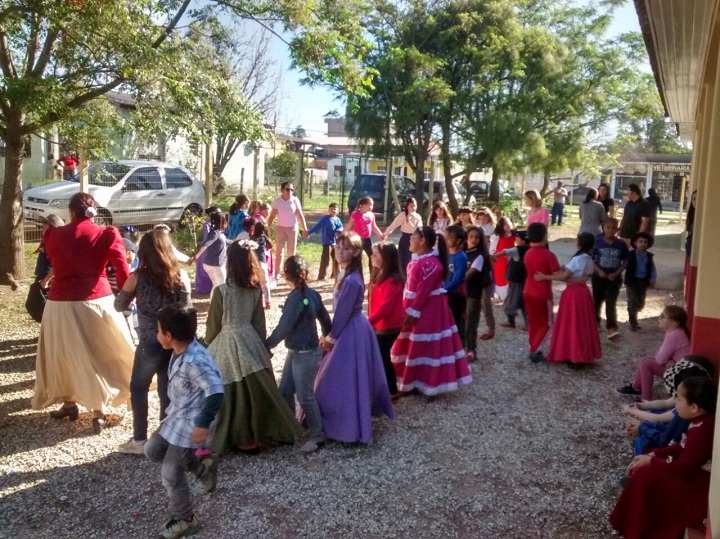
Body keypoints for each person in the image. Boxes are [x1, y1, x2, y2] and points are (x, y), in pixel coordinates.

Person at [32, 193, 134, 434]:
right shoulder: (106, 233)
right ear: (94, 211)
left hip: (59, 306)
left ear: (70, 212)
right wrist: (127, 297)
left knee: (64, 355)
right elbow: (122, 268)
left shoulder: (53, 234)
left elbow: (56, 265)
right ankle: (97, 413)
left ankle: (70, 402)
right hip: (96, 301)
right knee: (100, 355)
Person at [203, 241, 302, 454]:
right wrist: (262, 347)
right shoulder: (254, 289)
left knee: (232, 390)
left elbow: (213, 327)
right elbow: (259, 323)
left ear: (229, 263)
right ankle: (263, 431)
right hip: (250, 339)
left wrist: (207, 344)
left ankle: (240, 437)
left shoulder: (221, 292)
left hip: (228, 342)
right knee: (257, 390)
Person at [144, 304, 224, 539]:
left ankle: (186, 519)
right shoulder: (179, 350)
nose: (156, 335)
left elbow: (216, 391)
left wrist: (202, 424)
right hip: (177, 417)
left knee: (170, 472)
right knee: (152, 450)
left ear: (168, 336)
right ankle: (201, 468)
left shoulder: (194, 360)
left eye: (159, 331)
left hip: (192, 424)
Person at [114, 229, 193, 455]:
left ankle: (139, 438)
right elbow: (186, 309)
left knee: (139, 387)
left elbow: (120, 304)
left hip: (149, 340)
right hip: (174, 341)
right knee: (167, 388)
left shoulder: (137, 277)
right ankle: (166, 437)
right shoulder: (180, 277)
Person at [609, 376, 716, 539]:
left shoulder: (703, 430)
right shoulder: (700, 421)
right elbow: (682, 445)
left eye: (679, 399)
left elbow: (683, 467)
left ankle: (638, 530)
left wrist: (651, 460)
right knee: (646, 470)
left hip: (697, 482)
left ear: (694, 407)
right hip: (690, 471)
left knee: (647, 476)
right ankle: (630, 525)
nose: (676, 403)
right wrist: (655, 454)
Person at [315, 232, 394, 443]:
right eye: (339, 247)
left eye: (346, 248)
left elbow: (343, 312)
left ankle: (344, 426)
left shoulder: (351, 280)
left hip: (350, 330)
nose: (340, 252)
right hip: (351, 327)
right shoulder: (344, 274)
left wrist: (331, 337)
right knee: (345, 377)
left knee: (339, 378)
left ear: (357, 252)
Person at [391, 226, 472, 395]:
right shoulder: (419, 260)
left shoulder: (431, 264)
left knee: (425, 346)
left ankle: (426, 382)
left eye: (412, 237)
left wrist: (412, 312)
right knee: (411, 344)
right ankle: (409, 379)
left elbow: (423, 292)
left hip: (428, 311)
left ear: (422, 241)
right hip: (414, 307)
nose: (409, 240)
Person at [266, 256, 332, 453]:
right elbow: (326, 320)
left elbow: (284, 327)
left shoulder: (296, 298)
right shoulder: (311, 294)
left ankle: (317, 437)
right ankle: (291, 428)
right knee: (285, 390)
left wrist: (266, 344)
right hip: (299, 351)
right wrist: (325, 335)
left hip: (304, 353)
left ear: (287, 275)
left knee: (304, 396)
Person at [624, 356, 713, 456]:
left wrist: (640, 425)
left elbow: (662, 431)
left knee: (642, 441)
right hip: (670, 434)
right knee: (651, 417)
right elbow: (665, 403)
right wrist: (640, 406)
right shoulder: (691, 399)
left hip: (665, 446)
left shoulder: (685, 414)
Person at [535, 232, 601, 366]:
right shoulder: (589, 259)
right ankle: (581, 354)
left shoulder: (578, 259)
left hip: (573, 294)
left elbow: (563, 277)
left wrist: (545, 277)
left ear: (579, 243)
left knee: (572, 324)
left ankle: (573, 355)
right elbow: (582, 276)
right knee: (582, 324)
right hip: (583, 292)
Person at [616, 305, 691, 401]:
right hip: (678, 369)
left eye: (663, 316)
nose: (659, 318)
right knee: (645, 360)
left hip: (680, 376)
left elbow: (660, 360)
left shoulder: (675, 335)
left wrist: (669, 361)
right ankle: (636, 388)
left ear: (674, 323)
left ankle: (646, 399)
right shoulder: (676, 331)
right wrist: (670, 360)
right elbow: (662, 356)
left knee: (647, 364)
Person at [368, 243, 404, 399]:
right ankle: (385, 387)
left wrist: (367, 322)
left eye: (375, 254)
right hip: (378, 323)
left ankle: (392, 390)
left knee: (382, 356)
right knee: (380, 355)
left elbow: (385, 308)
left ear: (387, 259)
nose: (371, 257)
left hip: (388, 326)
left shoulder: (393, 281)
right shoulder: (378, 274)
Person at [522, 223, 561, 363]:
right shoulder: (549, 255)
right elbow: (559, 275)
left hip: (528, 291)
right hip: (542, 294)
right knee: (547, 323)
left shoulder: (528, 253)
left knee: (534, 322)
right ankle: (535, 349)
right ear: (544, 236)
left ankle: (533, 346)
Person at [592, 218, 628, 340]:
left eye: (614, 228)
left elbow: (626, 261)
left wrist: (617, 273)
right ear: (603, 228)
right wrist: (598, 270)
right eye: (608, 227)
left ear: (617, 230)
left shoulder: (621, 244)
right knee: (596, 300)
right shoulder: (597, 242)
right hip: (598, 277)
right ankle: (595, 322)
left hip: (614, 279)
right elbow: (590, 259)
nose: (610, 230)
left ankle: (611, 327)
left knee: (611, 302)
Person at [268, 182, 309, 283]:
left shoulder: (295, 200)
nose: (289, 191)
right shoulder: (277, 201)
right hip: (280, 228)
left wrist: (305, 229)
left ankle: (290, 273)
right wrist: (266, 227)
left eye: (291, 190)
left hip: (292, 228)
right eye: (287, 189)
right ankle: (277, 273)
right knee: (279, 251)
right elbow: (272, 215)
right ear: (282, 190)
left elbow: (300, 215)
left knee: (291, 252)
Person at [464, 226, 494, 362]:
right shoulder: (461, 252)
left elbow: (468, 275)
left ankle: (471, 350)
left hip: (473, 292)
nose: (473, 240)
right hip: (460, 293)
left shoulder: (480, 256)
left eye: (476, 237)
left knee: (471, 322)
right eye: (471, 236)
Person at [187, 212, 230, 295]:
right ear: (223, 222)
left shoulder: (218, 233)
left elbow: (226, 242)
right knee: (222, 287)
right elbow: (206, 244)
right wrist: (195, 257)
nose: (227, 223)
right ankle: (220, 306)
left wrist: (239, 242)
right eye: (226, 221)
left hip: (210, 264)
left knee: (216, 286)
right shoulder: (215, 233)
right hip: (216, 265)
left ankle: (213, 305)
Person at [494, 230, 530, 330]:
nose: (515, 239)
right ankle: (527, 323)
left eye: (517, 238)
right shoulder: (530, 249)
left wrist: (495, 256)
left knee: (511, 302)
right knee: (523, 302)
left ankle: (512, 321)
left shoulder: (518, 250)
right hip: (525, 280)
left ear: (523, 240)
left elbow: (506, 251)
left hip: (516, 281)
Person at [443, 225, 469, 348]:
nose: (446, 240)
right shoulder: (446, 254)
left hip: (457, 294)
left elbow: (457, 279)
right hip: (447, 292)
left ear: (458, 240)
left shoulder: (461, 257)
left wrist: (444, 289)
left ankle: (459, 343)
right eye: (445, 237)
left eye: (449, 238)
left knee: (456, 318)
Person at [625, 232, 656, 331]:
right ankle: (633, 322)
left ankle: (635, 310)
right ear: (635, 243)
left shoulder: (649, 256)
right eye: (640, 241)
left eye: (645, 242)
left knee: (640, 303)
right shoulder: (630, 255)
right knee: (632, 301)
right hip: (631, 281)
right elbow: (623, 264)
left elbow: (652, 268)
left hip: (643, 281)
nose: (643, 244)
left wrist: (652, 279)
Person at [344, 196, 385, 269]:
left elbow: (374, 227)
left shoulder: (371, 215)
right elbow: (349, 224)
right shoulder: (356, 214)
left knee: (372, 256)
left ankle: (372, 275)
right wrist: (342, 233)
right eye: (370, 204)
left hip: (367, 239)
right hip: (357, 240)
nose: (372, 206)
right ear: (363, 205)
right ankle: (358, 275)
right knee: (357, 258)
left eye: (372, 205)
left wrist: (381, 235)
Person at [384, 197, 422, 274]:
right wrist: (385, 234)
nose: (413, 208)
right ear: (407, 206)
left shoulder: (418, 217)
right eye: (411, 206)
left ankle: (411, 275)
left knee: (411, 258)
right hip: (404, 239)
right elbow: (393, 225)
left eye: (415, 206)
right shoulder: (402, 215)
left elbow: (420, 229)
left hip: (414, 239)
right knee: (402, 259)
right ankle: (402, 276)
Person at [307, 203, 343, 280]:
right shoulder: (325, 218)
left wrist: (338, 231)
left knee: (336, 259)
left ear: (338, 211)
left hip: (335, 242)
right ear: (328, 210)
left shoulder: (337, 220)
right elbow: (318, 226)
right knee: (325, 259)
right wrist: (309, 232)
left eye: (335, 209)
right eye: (331, 209)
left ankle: (335, 274)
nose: (333, 210)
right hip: (327, 242)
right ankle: (321, 276)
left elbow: (340, 227)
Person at [488, 216, 515, 302]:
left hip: (512, 259)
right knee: (502, 278)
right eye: (505, 224)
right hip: (501, 261)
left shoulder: (514, 234)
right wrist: (493, 258)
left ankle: (512, 296)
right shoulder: (497, 236)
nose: (507, 226)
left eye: (508, 223)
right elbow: (492, 250)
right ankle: (504, 296)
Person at [192, 207, 218, 294]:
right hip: (207, 248)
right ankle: (204, 288)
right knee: (203, 270)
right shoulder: (207, 224)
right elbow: (208, 238)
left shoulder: (219, 224)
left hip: (215, 248)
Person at [33, 214, 64, 284]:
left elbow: (58, 265)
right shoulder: (47, 241)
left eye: (44, 227)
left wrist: (46, 281)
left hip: (49, 281)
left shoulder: (55, 244)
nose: (42, 229)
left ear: (52, 229)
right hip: (41, 278)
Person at [250, 222, 272, 309]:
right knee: (265, 283)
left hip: (253, 263)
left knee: (254, 284)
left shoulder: (252, 238)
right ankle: (267, 301)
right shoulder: (263, 238)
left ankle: (255, 302)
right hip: (262, 263)